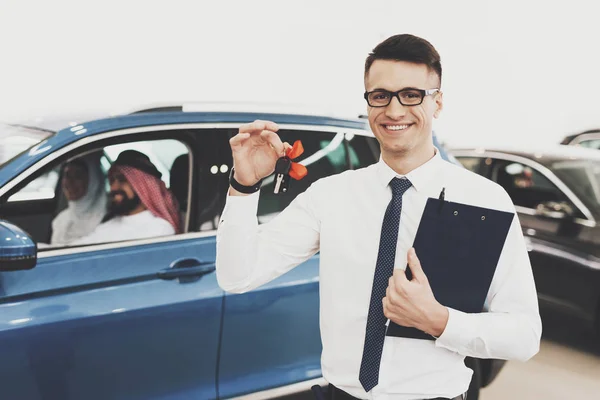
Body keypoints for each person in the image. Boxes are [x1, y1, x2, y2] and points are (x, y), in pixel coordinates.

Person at [216, 34, 542, 400]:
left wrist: (439, 320)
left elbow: (525, 335)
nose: (395, 110)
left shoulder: (484, 200)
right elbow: (237, 276)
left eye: (411, 94)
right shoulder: (331, 195)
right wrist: (244, 187)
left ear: (438, 103)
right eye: (380, 96)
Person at [70, 150, 181, 245]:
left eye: (122, 180)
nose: (114, 187)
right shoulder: (109, 224)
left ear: (142, 186)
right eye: (112, 181)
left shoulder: (159, 229)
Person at [50, 153, 107, 245]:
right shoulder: (61, 220)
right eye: (67, 175)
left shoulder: (105, 222)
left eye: (78, 176)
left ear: (93, 181)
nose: (70, 182)